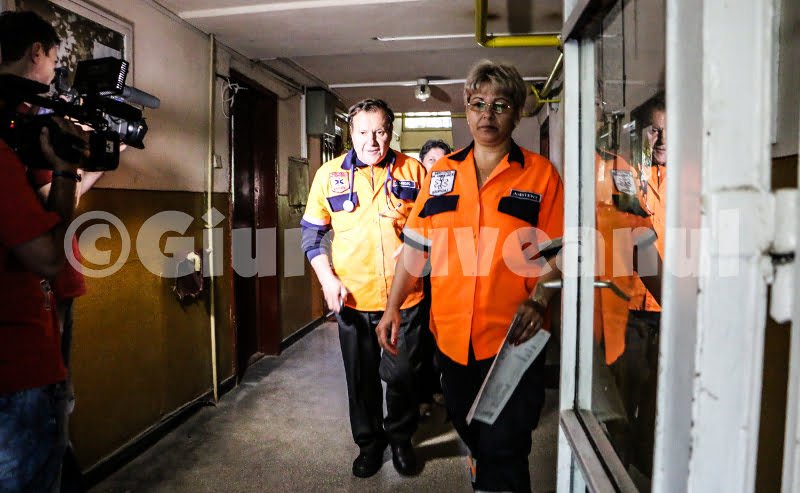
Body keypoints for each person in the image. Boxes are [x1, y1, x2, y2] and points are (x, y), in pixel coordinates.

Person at [376, 60, 564, 492]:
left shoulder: (540, 175)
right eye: (478, 104)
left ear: (516, 113)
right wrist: (392, 308)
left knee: (507, 446)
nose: (487, 114)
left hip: (514, 339)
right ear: (466, 109)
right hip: (452, 338)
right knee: (468, 425)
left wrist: (539, 299)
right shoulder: (442, 174)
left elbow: (558, 253)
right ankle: (481, 462)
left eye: (500, 105)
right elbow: (415, 248)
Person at [300, 98, 426, 478]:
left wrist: (423, 247)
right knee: (360, 378)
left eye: (380, 132)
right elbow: (312, 235)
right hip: (352, 302)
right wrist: (327, 279)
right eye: (363, 132)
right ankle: (370, 445)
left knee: (403, 375)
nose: (372, 141)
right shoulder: (329, 175)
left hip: (405, 300)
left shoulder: (413, 171)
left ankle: (400, 438)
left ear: (391, 132)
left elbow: (437, 228)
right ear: (349, 133)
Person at [0, 10, 87, 491]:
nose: (54, 72)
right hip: (16, 369)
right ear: (37, 52)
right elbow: (48, 257)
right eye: (54, 60)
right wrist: (69, 169)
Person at [415, 139, 452, 416]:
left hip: (449, 276)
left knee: (444, 334)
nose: (437, 165)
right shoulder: (413, 194)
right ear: (423, 164)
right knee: (421, 336)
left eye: (443, 160)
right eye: (431, 160)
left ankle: (442, 389)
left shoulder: (458, 193)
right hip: (420, 276)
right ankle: (423, 394)